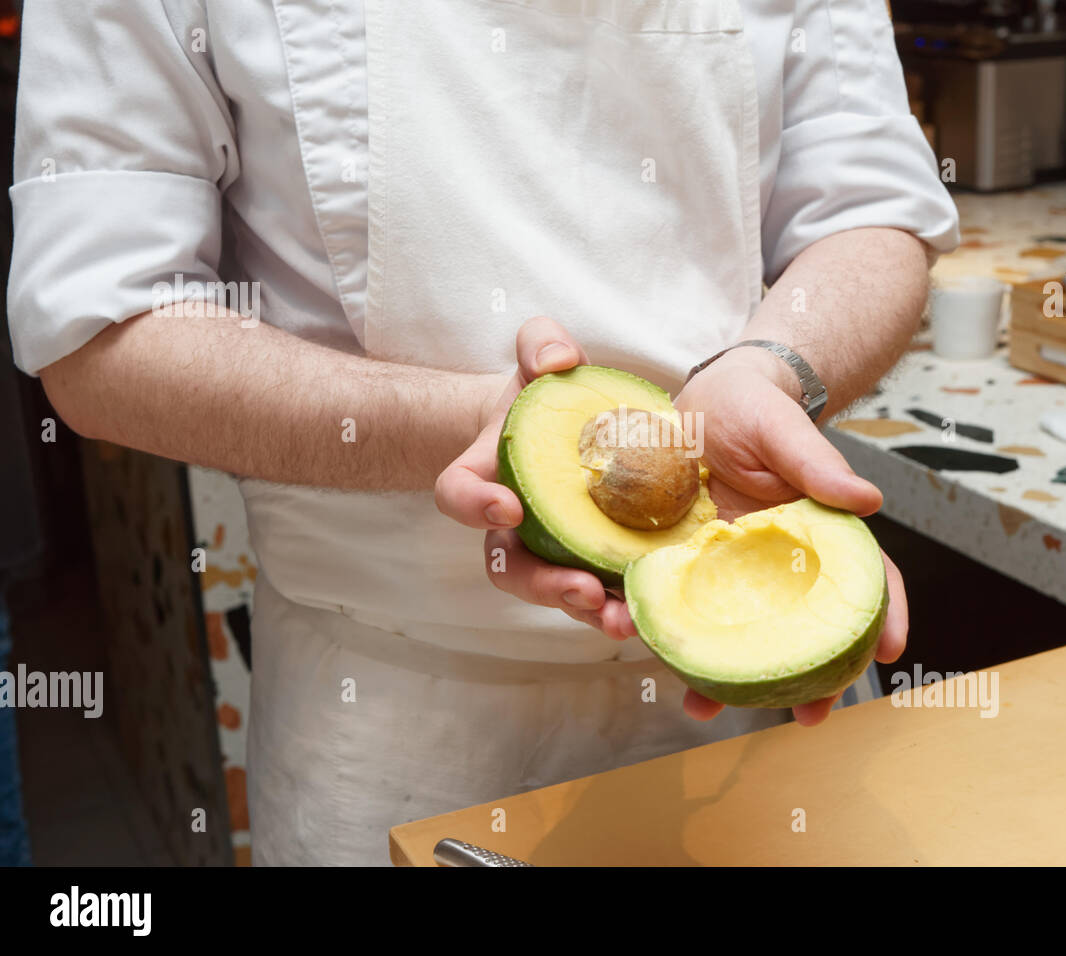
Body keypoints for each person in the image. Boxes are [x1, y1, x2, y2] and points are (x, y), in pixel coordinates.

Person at [8, 1, 958, 865]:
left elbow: (870, 210)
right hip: (400, 724)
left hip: (763, 706)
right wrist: (473, 426)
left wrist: (771, 368)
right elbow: (105, 332)